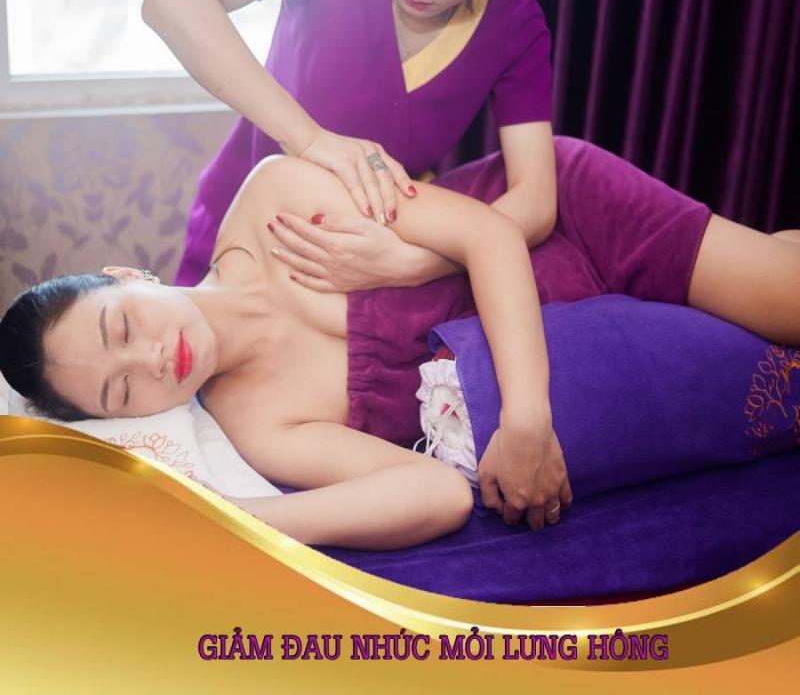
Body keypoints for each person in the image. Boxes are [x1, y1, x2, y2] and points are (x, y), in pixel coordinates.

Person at [2, 139, 799, 549]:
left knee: (785, 299)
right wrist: (239, 519)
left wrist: (526, 419)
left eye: (122, 326)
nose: (150, 360)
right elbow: (438, 495)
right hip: (588, 342)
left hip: (567, 225)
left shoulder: (272, 199)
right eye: (122, 392)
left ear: (128, 275)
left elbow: (490, 236)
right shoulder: (257, 422)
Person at [142, 0, 573, 289]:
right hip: (237, 229)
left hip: (363, 267)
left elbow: (535, 202)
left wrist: (415, 263)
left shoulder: (513, 21)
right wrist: (310, 139)